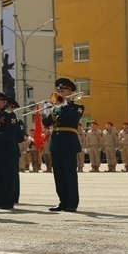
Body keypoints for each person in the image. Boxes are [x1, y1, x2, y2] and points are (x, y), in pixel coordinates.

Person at [43, 78, 84, 212]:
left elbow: (71, 119)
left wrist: (64, 104)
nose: (60, 91)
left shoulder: (77, 107)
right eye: (58, 90)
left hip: (69, 143)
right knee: (58, 175)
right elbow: (46, 123)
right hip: (56, 143)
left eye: (63, 89)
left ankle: (72, 203)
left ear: (70, 91)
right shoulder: (56, 108)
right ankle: (62, 201)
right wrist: (47, 110)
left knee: (69, 174)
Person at [0, 91, 21, 209]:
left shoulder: (9, 115)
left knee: (7, 177)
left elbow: (10, 133)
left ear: (3, 102)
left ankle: (8, 201)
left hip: (7, 151)